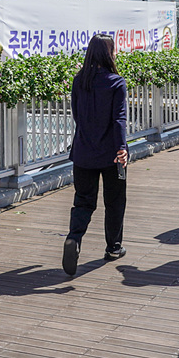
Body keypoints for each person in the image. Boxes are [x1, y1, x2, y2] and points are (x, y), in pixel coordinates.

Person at [64, 33, 129, 275]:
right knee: (114, 202)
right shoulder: (116, 82)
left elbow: (77, 116)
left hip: (83, 153)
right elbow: (119, 119)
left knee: (83, 201)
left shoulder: (80, 80)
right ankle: (113, 247)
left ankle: (74, 238)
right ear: (109, 54)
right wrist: (122, 148)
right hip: (113, 155)